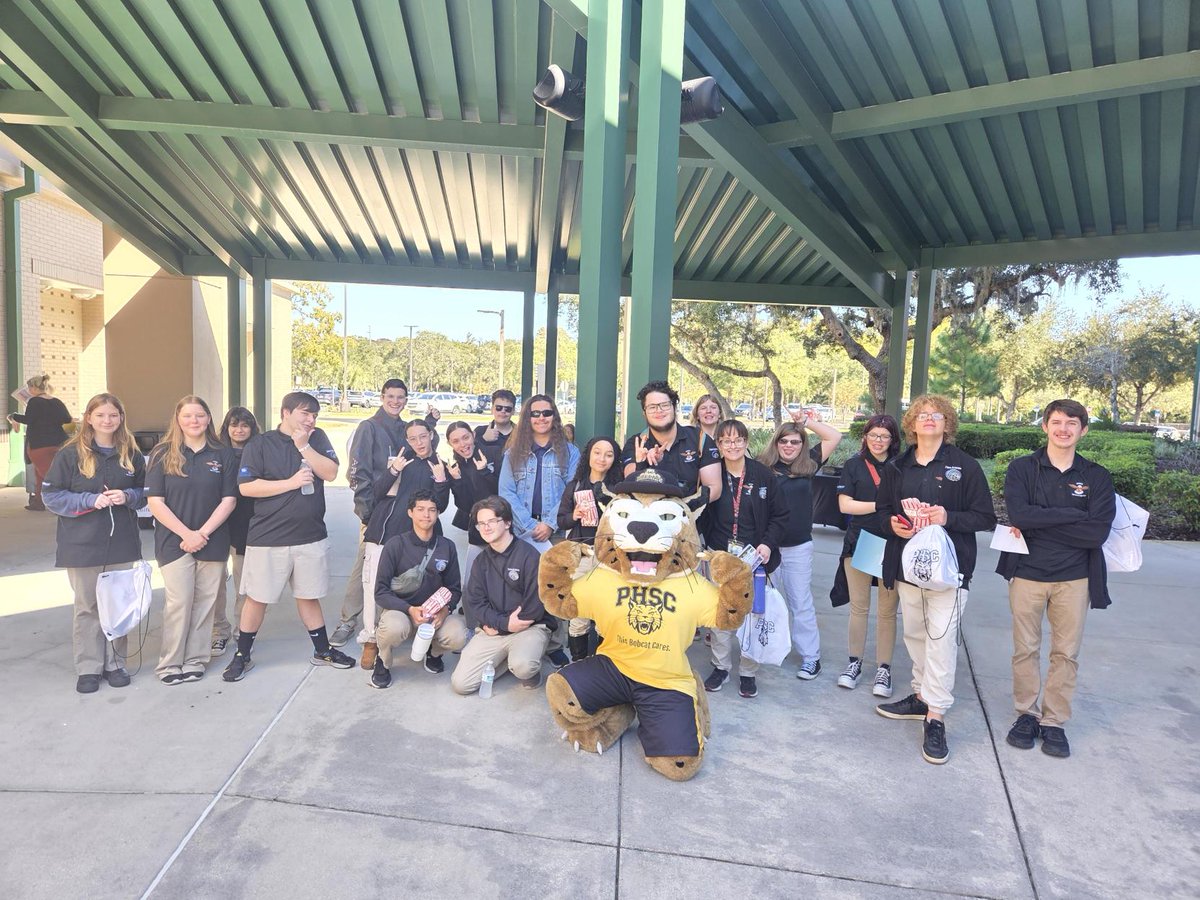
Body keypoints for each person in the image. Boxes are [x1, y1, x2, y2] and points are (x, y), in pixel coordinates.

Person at [875, 395, 996, 765]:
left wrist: (947, 517)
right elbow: (882, 512)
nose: (929, 420)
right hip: (910, 568)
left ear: (947, 424)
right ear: (912, 424)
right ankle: (920, 695)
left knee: (941, 640)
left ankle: (936, 715)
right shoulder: (897, 467)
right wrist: (893, 524)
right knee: (914, 634)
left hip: (950, 571)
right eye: (922, 415)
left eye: (937, 415)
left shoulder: (965, 466)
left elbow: (985, 517)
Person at [997, 399, 1116, 759]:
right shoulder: (1022, 469)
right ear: (1045, 426)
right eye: (1057, 422)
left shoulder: (1096, 476)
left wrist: (1041, 522)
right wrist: (1071, 515)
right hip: (1028, 574)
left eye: (1072, 423)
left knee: (1066, 653)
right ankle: (1027, 714)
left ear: (1083, 429)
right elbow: (1019, 514)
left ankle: (1054, 721)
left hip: (1075, 578)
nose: (1064, 429)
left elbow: (1096, 534)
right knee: (1026, 649)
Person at [222, 391, 354, 681]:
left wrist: (304, 447)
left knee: (309, 596)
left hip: (310, 536)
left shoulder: (316, 439)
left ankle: (322, 650)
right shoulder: (260, 443)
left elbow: (331, 473)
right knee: (257, 598)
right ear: (285, 412)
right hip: (267, 537)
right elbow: (247, 487)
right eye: (305, 413)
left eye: (314, 415)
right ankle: (243, 655)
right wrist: (291, 483)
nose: (310, 419)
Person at [42, 393, 146, 693]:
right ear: (89, 418)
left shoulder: (132, 454)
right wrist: (90, 500)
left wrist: (127, 496)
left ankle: (115, 664)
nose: (107, 421)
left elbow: (146, 492)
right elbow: (52, 496)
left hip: (122, 542)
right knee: (87, 607)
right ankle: (88, 667)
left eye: (113, 415)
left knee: (117, 606)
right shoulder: (69, 454)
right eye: (100, 415)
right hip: (81, 544)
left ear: (121, 418)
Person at [331, 379, 437, 648]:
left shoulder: (404, 428)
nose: (395, 401)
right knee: (364, 566)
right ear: (381, 397)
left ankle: (391, 617)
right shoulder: (369, 427)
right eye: (391, 396)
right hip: (376, 507)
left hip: (403, 508)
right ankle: (348, 619)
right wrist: (366, 510)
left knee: (399, 563)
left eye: (401, 397)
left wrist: (430, 423)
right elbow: (358, 472)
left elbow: (416, 446)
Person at [145, 396, 238, 685]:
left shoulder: (222, 454)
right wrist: (187, 535)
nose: (193, 421)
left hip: (213, 539)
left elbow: (229, 499)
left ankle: (196, 659)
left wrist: (203, 533)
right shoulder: (163, 453)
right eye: (187, 416)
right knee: (179, 602)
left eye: (199, 415)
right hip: (174, 542)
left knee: (205, 603)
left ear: (209, 419)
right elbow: (155, 502)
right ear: (178, 419)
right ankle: (170, 663)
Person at [703, 419, 789, 699]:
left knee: (754, 615)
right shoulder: (713, 474)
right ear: (718, 445)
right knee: (721, 615)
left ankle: (748, 672)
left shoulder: (763, 475)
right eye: (726, 441)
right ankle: (721, 667)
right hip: (721, 555)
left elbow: (780, 515)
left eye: (738, 439)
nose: (733, 445)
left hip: (756, 557)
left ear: (746, 441)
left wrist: (767, 544)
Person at [356, 418, 451, 667]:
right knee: (373, 587)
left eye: (423, 436)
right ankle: (371, 639)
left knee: (427, 583)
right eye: (412, 438)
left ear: (431, 435)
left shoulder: (439, 464)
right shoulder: (401, 459)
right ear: (407, 440)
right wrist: (393, 471)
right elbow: (377, 493)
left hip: (423, 537)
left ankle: (428, 640)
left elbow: (440, 506)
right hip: (387, 533)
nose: (418, 442)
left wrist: (441, 480)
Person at [758, 408, 842, 681]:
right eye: (784, 441)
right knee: (766, 602)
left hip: (797, 547)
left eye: (796, 441)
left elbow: (834, 436)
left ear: (803, 445)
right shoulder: (762, 466)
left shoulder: (809, 465)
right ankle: (765, 650)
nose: (789, 446)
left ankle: (810, 657)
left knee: (800, 602)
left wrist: (805, 423)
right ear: (776, 442)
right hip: (767, 546)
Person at [499, 394, 578, 667]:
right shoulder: (513, 452)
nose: (541, 418)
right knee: (521, 586)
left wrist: (549, 523)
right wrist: (531, 525)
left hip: (554, 532)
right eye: (535, 413)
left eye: (546, 413)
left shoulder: (569, 452)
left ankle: (555, 645)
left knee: (556, 589)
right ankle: (522, 640)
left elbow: (572, 490)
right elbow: (506, 492)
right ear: (527, 418)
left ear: (554, 416)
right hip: (521, 531)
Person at [450, 497, 558, 695]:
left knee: (524, 666)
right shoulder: (480, 561)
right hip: (495, 629)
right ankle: (506, 660)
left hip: (528, 627)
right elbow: (476, 602)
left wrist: (510, 624)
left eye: (492, 521)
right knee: (461, 685)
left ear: (507, 522)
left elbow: (537, 602)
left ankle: (524, 668)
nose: (486, 527)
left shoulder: (529, 556)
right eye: (481, 523)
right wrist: (502, 624)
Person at [831, 414, 901, 697]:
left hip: (894, 544)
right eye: (873, 435)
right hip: (861, 542)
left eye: (885, 436)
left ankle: (884, 669)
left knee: (887, 612)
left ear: (893, 440)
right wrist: (882, 505)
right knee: (859, 607)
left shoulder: (902, 467)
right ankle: (854, 663)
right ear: (865, 437)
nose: (878, 441)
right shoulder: (853, 466)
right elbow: (845, 505)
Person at [369, 490, 469, 689]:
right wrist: (409, 610)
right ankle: (383, 660)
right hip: (402, 611)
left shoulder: (446, 546)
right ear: (410, 513)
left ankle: (434, 652)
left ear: (438, 513)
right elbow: (380, 591)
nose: (426, 515)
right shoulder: (395, 545)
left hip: (434, 614)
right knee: (393, 628)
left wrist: (445, 610)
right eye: (421, 509)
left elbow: (454, 589)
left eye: (432, 510)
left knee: (459, 633)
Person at [555, 435, 623, 660]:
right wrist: (574, 515)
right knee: (579, 614)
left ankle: (601, 663)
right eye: (597, 452)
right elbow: (561, 521)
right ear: (588, 455)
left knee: (605, 614)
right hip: (581, 555)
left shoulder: (618, 489)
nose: (602, 458)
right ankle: (578, 662)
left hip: (608, 558)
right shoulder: (574, 485)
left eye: (609, 454)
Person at [211, 407, 260, 654]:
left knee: (244, 583)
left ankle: (243, 629)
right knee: (216, 582)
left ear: (252, 428)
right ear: (226, 427)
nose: (239, 430)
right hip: (219, 525)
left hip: (247, 525)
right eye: (234, 425)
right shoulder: (216, 453)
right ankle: (218, 631)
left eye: (244, 425)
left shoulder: (260, 452)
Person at [622, 381, 721, 503]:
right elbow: (629, 484)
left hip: (691, 518)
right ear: (644, 413)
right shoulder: (637, 443)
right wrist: (642, 462)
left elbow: (714, 488)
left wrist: (681, 510)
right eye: (652, 407)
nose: (659, 410)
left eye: (665, 405)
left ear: (674, 408)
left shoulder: (700, 439)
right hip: (650, 519)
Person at [445, 420, 503, 588]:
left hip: (500, 528)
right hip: (478, 531)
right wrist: (457, 481)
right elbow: (465, 505)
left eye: (465, 437)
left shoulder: (493, 453)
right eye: (455, 441)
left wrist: (484, 472)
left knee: (499, 578)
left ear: (473, 436)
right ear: (450, 444)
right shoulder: (456, 466)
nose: (463, 445)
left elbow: (501, 492)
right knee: (472, 581)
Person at [7, 374, 72, 511]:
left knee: (48, 475)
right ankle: (38, 502)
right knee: (40, 474)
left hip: (40, 444)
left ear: (33, 387)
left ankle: (64, 503)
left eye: (29, 387)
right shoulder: (56, 401)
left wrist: (13, 416)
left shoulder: (34, 401)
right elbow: (67, 419)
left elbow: (29, 420)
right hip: (60, 442)